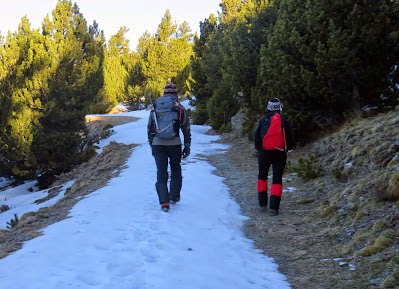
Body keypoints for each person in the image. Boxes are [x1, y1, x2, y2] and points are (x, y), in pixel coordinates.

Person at [147, 80, 191, 212]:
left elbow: (150, 128)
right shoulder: (179, 108)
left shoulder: (156, 106)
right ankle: (174, 196)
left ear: (164, 94)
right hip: (174, 144)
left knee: (161, 172)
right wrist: (187, 145)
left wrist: (152, 145)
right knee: (175, 169)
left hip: (158, 144)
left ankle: (164, 203)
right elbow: (186, 128)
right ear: (176, 94)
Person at [253, 98, 295, 216]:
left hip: (264, 152)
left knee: (262, 176)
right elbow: (290, 138)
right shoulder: (283, 121)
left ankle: (262, 204)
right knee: (277, 179)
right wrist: (287, 148)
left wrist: (259, 149)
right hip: (280, 153)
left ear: (268, 107)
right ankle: (274, 208)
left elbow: (256, 136)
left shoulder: (263, 120)